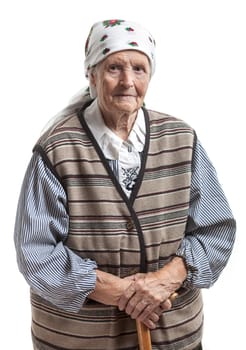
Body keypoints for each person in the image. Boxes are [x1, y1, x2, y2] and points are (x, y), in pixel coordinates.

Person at [14, 19, 236, 350]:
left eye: (139, 68)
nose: (127, 81)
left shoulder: (181, 138)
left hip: (173, 336)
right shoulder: (57, 147)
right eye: (114, 67)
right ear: (91, 74)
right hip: (79, 340)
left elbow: (215, 231)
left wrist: (166, 279)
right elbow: (36, 251)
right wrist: (125, 294)